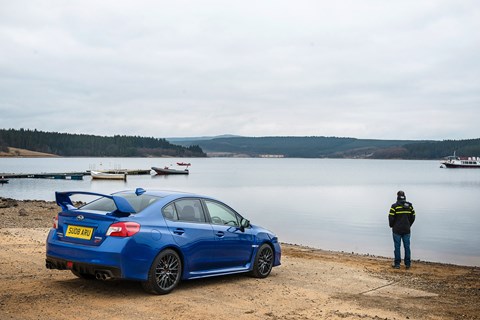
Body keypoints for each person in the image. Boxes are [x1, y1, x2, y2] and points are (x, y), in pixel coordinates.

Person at [388, 190, 416, 269]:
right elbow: (413, 216)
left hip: (397, 230)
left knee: (397, 247)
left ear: (397, 196)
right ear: (404, 196)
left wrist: (392, 225)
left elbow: (391, 217)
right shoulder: (409, 206)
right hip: (406, 230)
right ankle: (408, 264)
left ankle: (397, 264)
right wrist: (408, 224)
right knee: (407, 247)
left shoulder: (394, 206)